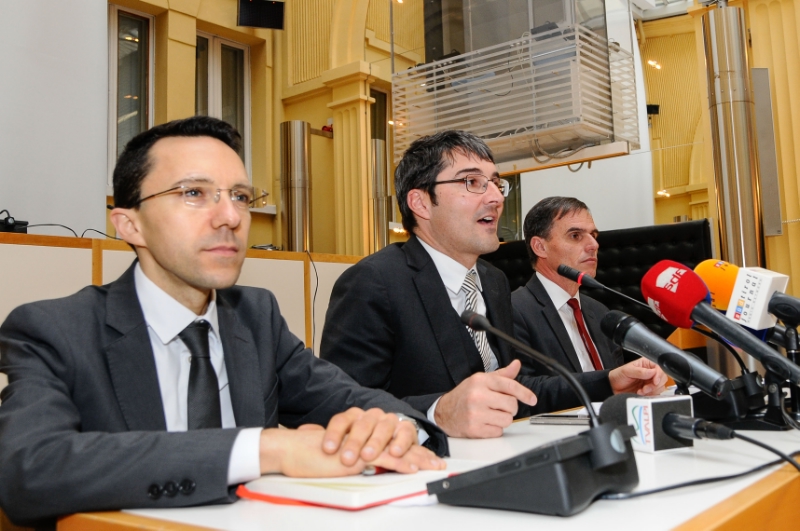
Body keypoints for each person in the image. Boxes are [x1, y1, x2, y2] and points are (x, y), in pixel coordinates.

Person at [0, 117, 446, 527]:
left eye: (240, 196)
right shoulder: (56, 330)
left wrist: (395, 428)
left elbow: (353, 397)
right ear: (129, 224)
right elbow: (28, 469)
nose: (231, 217)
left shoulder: (256, 316)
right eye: (193, 193)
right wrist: (267, 449)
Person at [320, 130, 666, 440]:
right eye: (472, 182)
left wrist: (607, 381)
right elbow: (339, 405)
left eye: (496, 184)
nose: (496, 198)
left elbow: (515, 390)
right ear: (421, 202)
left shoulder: (492, 280)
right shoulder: (374, 282)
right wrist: (437, 412)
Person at [512, 197, 624, 376]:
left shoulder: (600, 312)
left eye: (593, 235)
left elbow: (619, 378)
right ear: (540, 247)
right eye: (575, 236)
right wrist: (606, 381)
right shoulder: (514, 310)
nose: (594, 245)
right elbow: (525, 386)